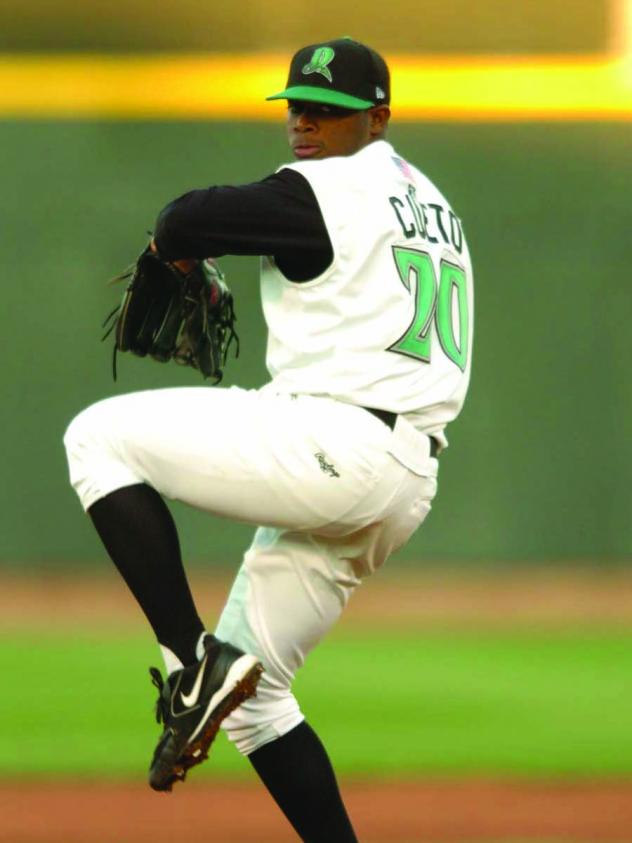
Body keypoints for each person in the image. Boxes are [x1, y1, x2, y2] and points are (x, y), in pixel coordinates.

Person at [64, 36, 473, 842]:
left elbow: (185, 216)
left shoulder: (330, 188)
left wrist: (172, 251)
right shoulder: (433, 203)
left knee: (96, 438)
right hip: (404, 479)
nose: (307, 122)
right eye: (299, 106)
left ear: (379, 118)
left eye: (331, 110)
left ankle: (189, 663)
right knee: (262, 701)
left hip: (336, 439)